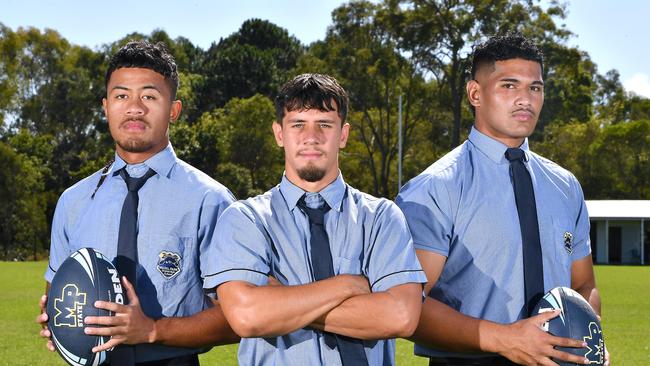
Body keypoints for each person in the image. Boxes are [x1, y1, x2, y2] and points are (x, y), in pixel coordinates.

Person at [396, 33, 609, 365]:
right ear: (475, 93)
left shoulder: (566, 186)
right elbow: (405, 305)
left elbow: (584, 285)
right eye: (509, 86)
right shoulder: (433, 188)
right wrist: (504, 340)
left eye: (534, 88)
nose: (525, 99)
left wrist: (589, 339)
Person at [36, 40, 239, 365]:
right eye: (121, 96)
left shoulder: (210, 200)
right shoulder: (73, 201)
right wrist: (56, 321)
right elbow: (56, 294)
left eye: (149, 96)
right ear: (105, 106)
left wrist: (152, 330)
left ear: (173, 110)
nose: (134, 108)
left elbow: (237, 318)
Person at [206, 73, 427, 365]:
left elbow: (401, 316)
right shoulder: (245, 219)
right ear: (279, 134)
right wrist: (348, 286)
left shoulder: (382, 218)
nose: (311, 137)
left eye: (324, 124)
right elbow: (248, 316)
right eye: (298, 124)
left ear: (343, 135)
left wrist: (283, 303)